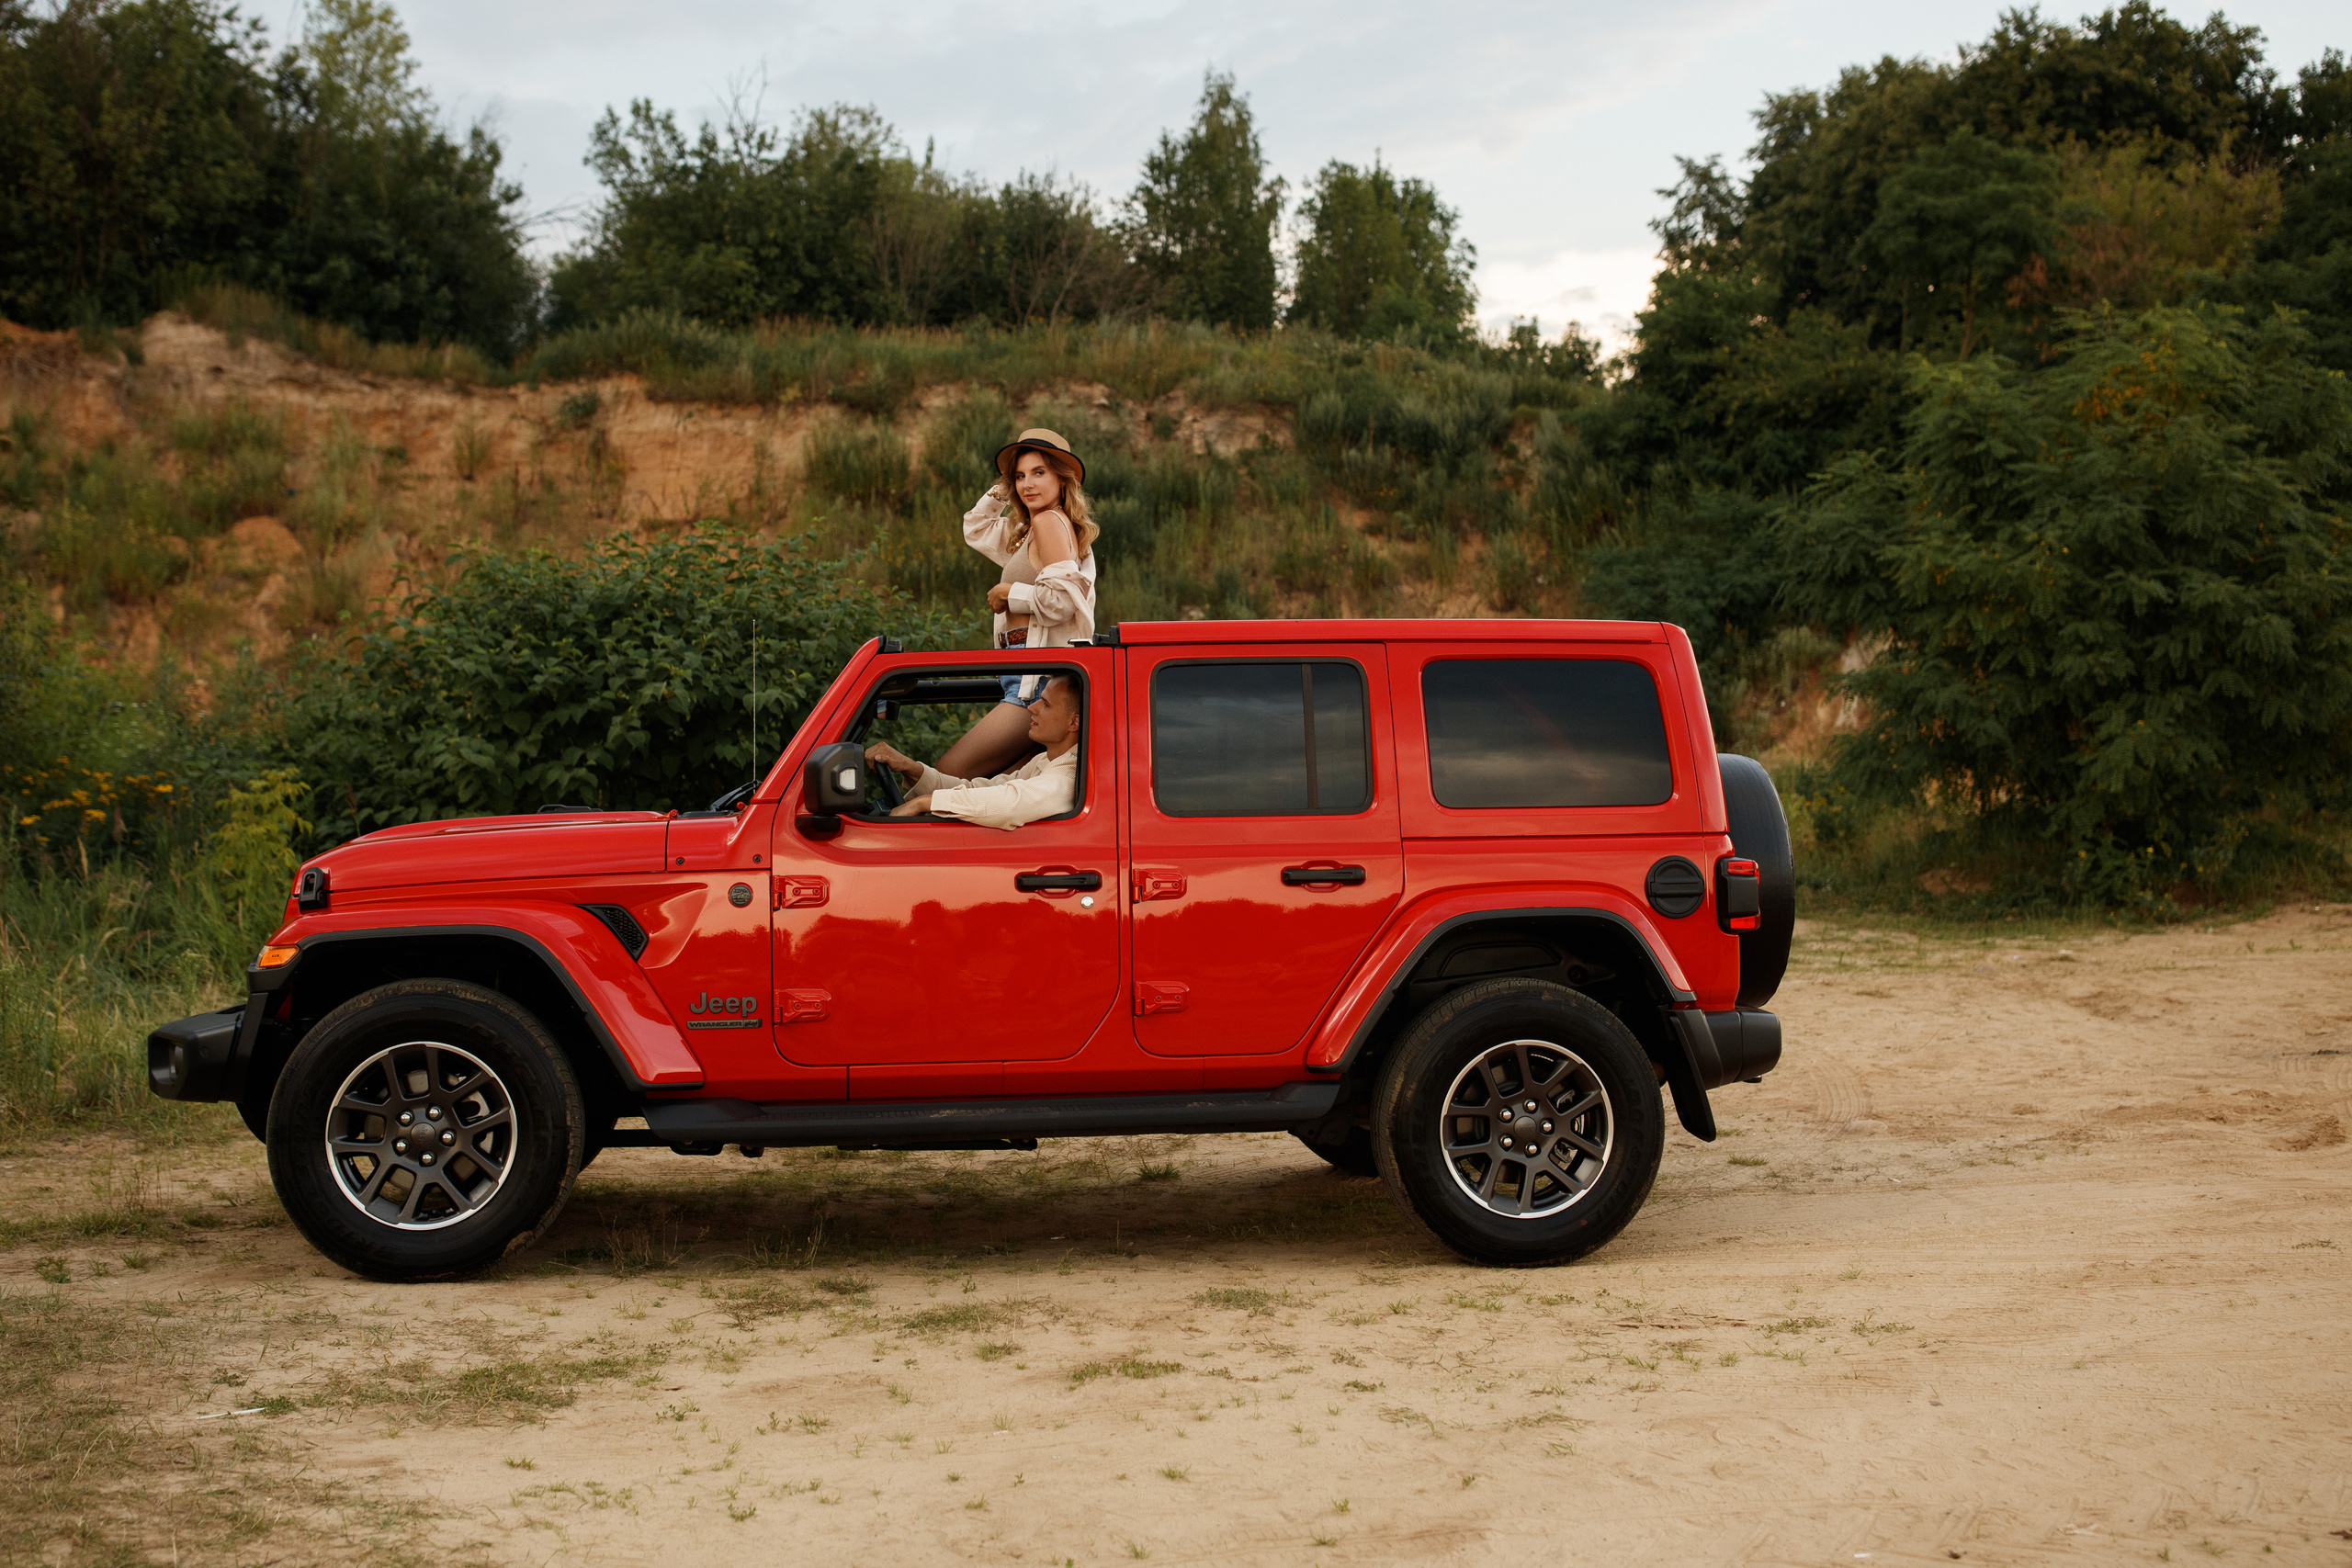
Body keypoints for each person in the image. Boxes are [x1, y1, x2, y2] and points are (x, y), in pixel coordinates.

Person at [933, 428, 1098, 779]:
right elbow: (975, 527)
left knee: (952, 771)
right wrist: (1005, 486)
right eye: (1021, 476)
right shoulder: (1031, 528)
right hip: (1021, 670)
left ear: (1062, 480)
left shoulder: (1048, 522)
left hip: (1035, 679)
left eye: (1040, 473)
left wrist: (1009, 593)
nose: (1028, 484)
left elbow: (1061, 602)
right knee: (1000, 783)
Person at [865, 675, 1082, 830]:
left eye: (1045, 704)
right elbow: (984, 789)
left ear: (1074, 722)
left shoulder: (1070, 773)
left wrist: (924, 803)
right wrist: (911, 768)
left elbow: (1010, 804)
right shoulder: (1046, 759)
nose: (1031, 708)